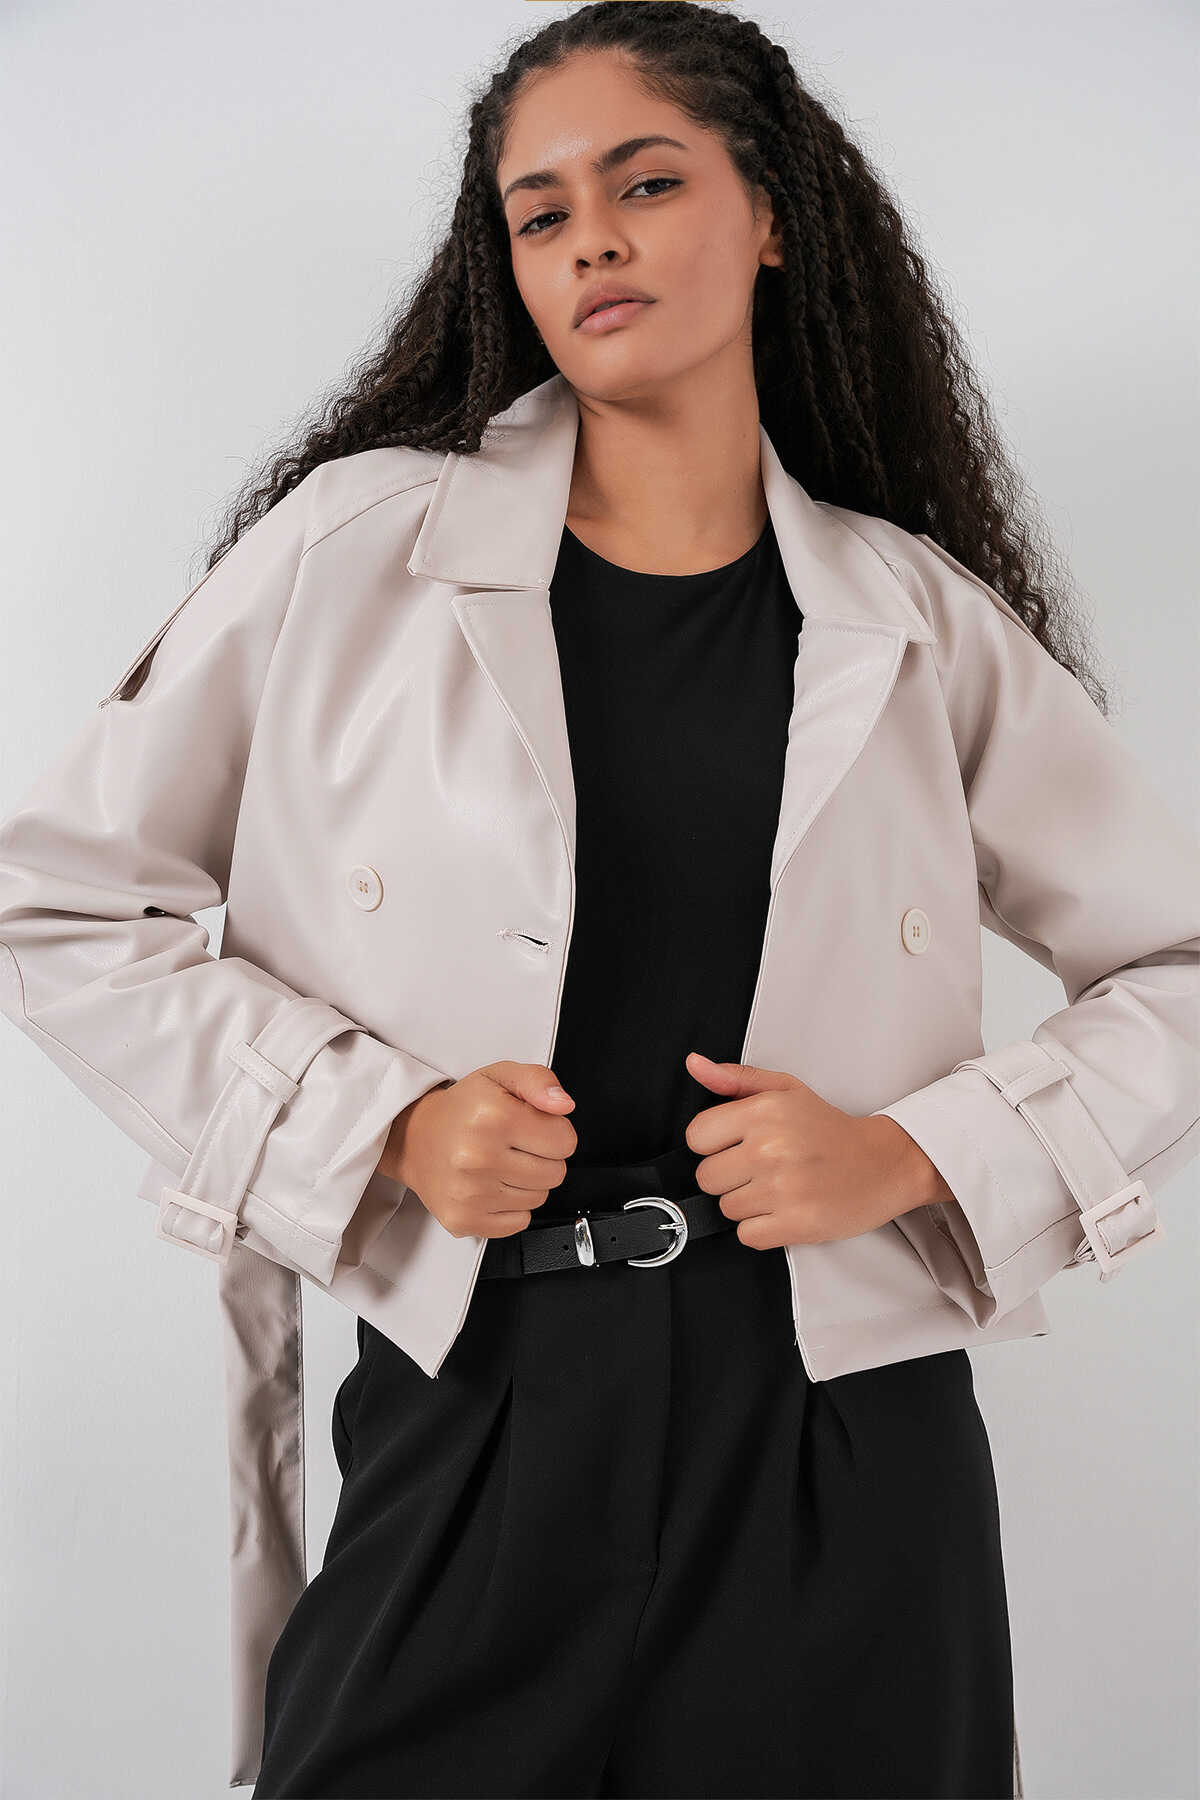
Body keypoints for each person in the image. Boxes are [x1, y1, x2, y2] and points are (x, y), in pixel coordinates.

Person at [2, 5, 1195, 1797]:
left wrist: (913, 1156)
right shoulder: (355, 551)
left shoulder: (915, 618)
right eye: (541, 213)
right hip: (475, 1391)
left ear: (772, 214)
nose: (592, 244)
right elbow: (59, 899)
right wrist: (383, 1123)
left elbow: (1175, 959)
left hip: (842, 1436)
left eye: (646, 185)